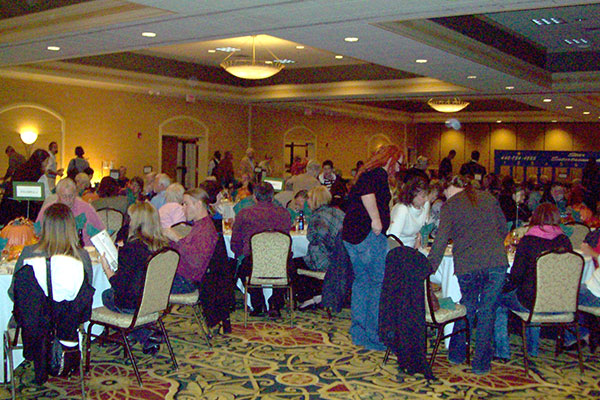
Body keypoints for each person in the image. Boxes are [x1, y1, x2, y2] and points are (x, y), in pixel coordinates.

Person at [428, 175, 508, 375]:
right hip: (496, 262)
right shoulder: (489, 198)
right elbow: (504, 229)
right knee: (488, 311)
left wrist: (427, 270)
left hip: (468, 264)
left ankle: (456, 354)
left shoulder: (450, 206)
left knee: (468, 306)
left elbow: (440, 242)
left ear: (450, 188)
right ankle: (481, 364)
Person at [10, 203, 94, 384]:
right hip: (69, 324)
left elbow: (14, 293)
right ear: (72, 227)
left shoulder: (28, 253)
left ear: (45, 227)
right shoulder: (82, 257)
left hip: (33, 325)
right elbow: (85, 295)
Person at [342, 144, 403, 351]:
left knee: (362, 283)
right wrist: (376, 219)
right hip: (368, 236)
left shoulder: (366, 173)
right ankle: (374, 336)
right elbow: (366, 194)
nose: (400, 168)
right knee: (377, 284)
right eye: (399, 163)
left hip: (352, 236)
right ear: (391, 160)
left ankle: (359, 333)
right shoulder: (377, 174)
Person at [494, 203, 572, 361]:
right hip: (560, 300)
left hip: (531, 301)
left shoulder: (529, 240)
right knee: (535, 292)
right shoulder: (565, 240)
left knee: (497, 299)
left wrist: (503, 286)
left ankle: (502, 351)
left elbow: (516, 276)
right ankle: (533, 348)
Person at [100, 201, 169, 355]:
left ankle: (143, 334)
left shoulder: (132, 248)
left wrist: (107, 269)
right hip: (155, 301)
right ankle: (143, 332)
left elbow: (119, 286)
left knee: (106, 295)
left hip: (133, 304)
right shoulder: (163, 246)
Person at [231, 182, 292, 318]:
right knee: (286, 265)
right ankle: (275, 304)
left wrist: (239, 253)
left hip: (253, 264)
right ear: (272, 197)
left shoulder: (244, 214)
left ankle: (258, 304)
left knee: (243, 267)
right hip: (280, 263)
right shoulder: (285, 214)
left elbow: (235, 243)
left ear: (254, 197)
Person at [294, 186, 345, 309]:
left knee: (292, 263)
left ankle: (306, 297)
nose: (308, 202)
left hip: (325, 260)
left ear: (316, 200)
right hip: (340, 259)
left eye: (310, 199)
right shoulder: (339, 212)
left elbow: (313, 239)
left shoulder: (317, 216)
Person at [170, 188, 219, 293]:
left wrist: (176, 239)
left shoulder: (206, 230)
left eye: (186, 204)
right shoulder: (199, 225)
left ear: (198, 204)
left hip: (186, 280)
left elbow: (196, 260)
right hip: (180, 275)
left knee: (142, 281)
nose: (183, 208)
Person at [36, 178, 105, 246]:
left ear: (75, 194)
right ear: (58, 195)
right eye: (64, 196)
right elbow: (37, 232)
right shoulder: (48, 210)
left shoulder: (86, 209)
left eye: (71, 196)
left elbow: (101, 232)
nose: (68, 200)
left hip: (82, 250)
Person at [0, 148, 50, 224]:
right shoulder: (39, 175)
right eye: (46, 161)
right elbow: (46, 195)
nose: (47, 164)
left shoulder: (21, 169)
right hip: (25, 210)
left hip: (9, 207)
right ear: (40, 161)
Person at [387, 175, 430, 248]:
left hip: (412, 246)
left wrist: (418, 240)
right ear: (413, 195)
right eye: (423, 196)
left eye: (426, 196)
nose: (426, 199)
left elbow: (424, 227)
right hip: (398, 247)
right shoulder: (403, 209)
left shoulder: (425, 205)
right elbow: (392, 238)